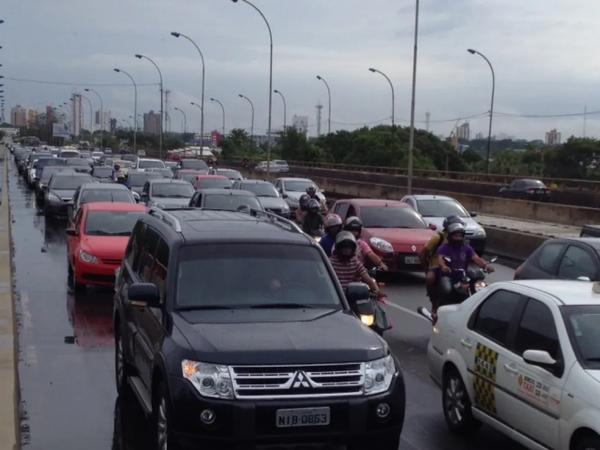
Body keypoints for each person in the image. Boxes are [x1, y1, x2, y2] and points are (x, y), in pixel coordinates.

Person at [436, 221, 494, 299]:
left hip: (463, 275)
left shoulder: (467, 248)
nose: (458, 238)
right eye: (455, 236)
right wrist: (444, 267)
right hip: (449, 276)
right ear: (450, 236)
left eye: (460, 236)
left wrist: (485, 266)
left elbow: (476, 258)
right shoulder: (444, 248)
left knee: (481, 288)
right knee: (447, 289)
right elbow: (440, 260)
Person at [419, 215, 464, 308]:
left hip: (455, 267)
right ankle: (433, 300)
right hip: (436, 266)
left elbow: (470, 255)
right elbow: (423, 253)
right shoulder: (438, 238)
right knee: (430, 278)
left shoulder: (461, 239)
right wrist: (427, 269)